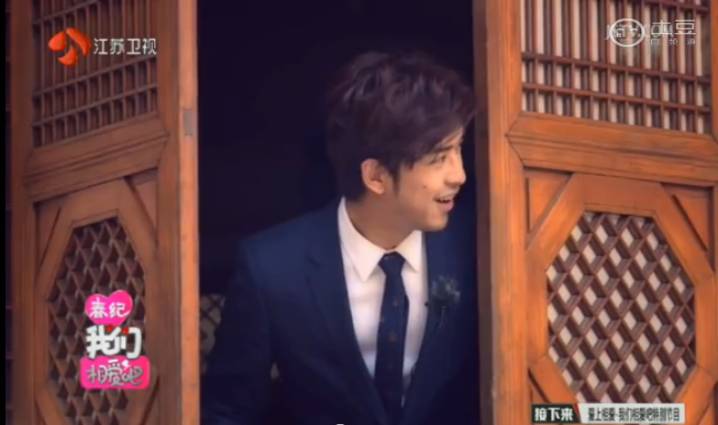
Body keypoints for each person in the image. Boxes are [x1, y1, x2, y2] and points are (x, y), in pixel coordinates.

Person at [202, 50, 479, 425]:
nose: (459, 175)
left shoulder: (477, 247)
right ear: (376, 177)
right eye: (438, 158)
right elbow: (227, 412)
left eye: (458, 149)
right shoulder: (271, 269)